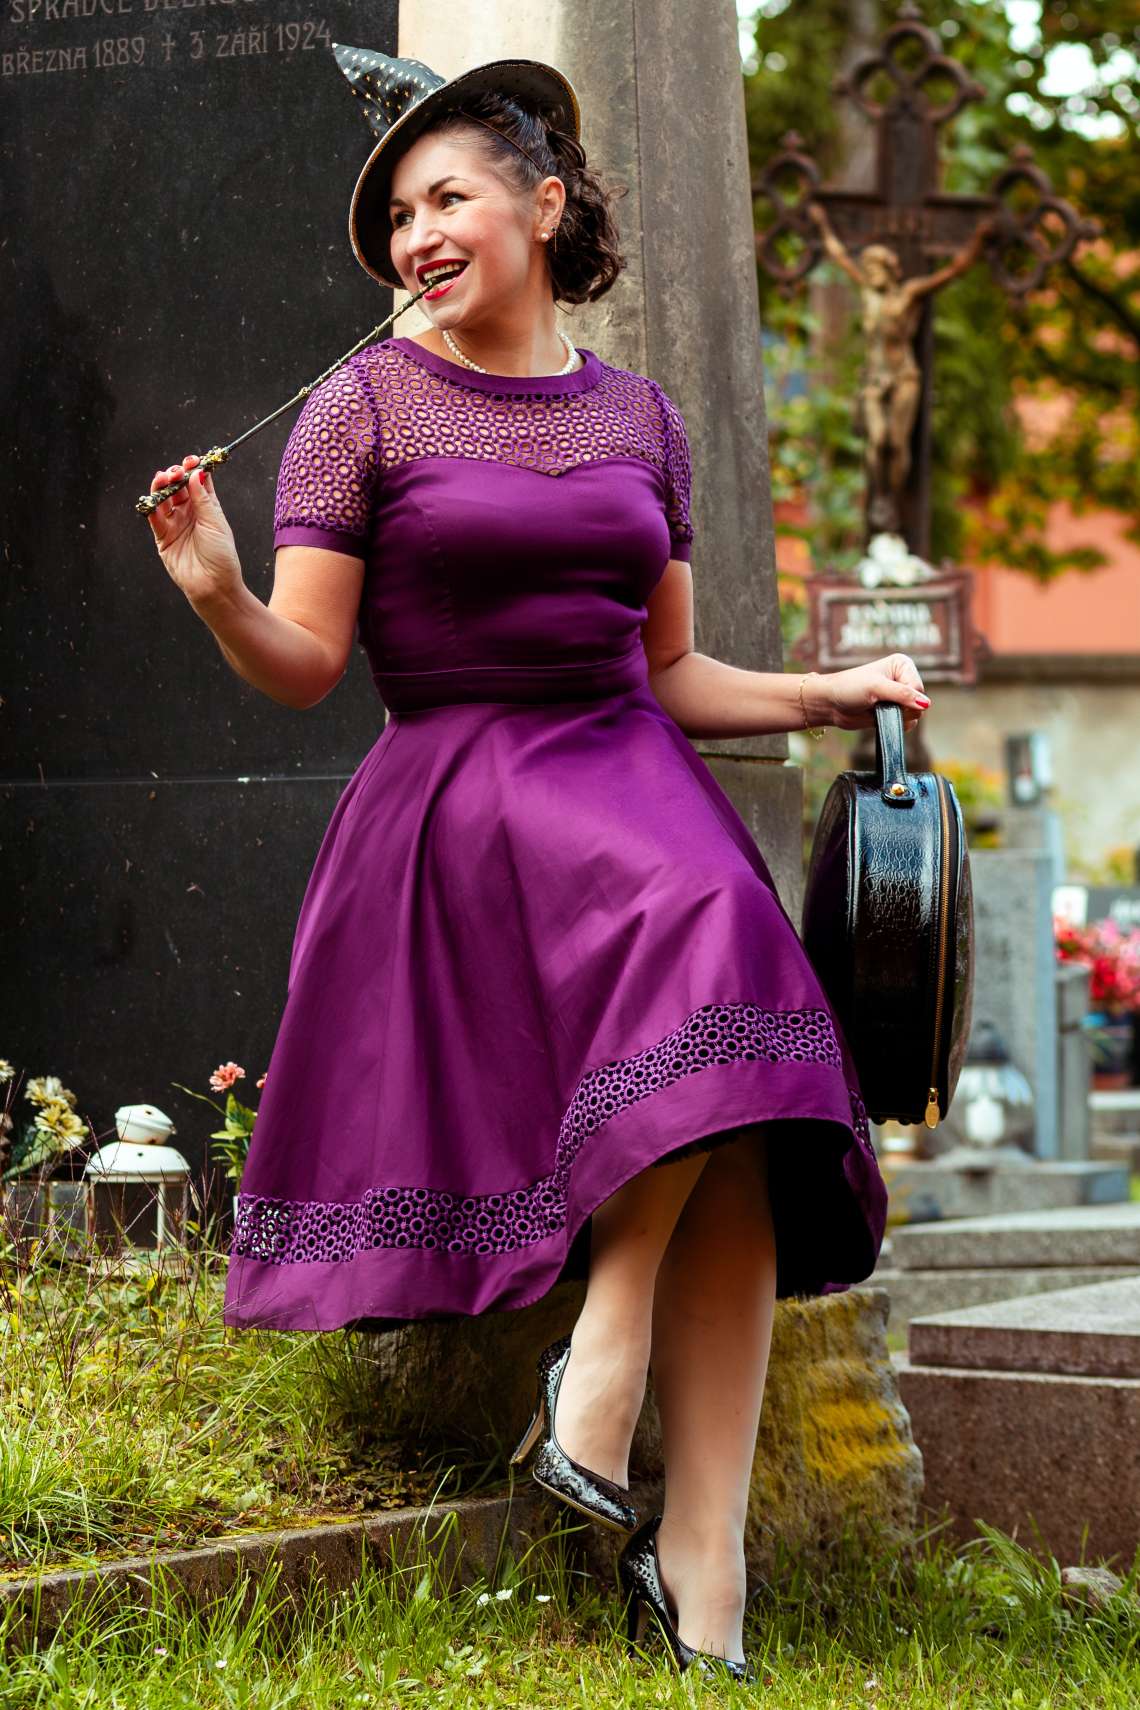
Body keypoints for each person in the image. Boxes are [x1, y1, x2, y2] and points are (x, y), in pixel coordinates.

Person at [145, 44, 931, 1683]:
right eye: (398, 217)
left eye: (448, 197)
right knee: (718, 945)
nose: (417, 235)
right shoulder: (363, 405)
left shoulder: (639, 417)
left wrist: (830, 691)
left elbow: (675, 676)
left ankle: (695, 1562)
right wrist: (220, 589)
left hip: (622, 773)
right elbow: (307, 662)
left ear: (544, 199)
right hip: (458, 802)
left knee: (744, 1078)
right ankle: (613, 1351)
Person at [807, 202, 994, 534]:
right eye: (867, 267)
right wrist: (823, 225)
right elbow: (838, 255)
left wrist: (978, 238)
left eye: (875, 267)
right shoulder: (867, 294)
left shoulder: (908, 294)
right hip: (874, 378)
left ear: (888, 269)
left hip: (904, 375)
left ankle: (892, 498)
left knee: (895, 442)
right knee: (876, 440)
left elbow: (952, 271)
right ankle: (878, 495)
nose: (869, 273)